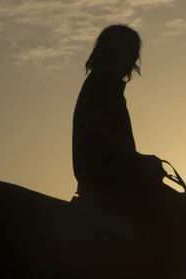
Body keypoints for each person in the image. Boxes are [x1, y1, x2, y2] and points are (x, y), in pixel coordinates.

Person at [72, 24, 178, 221]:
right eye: (130, 53)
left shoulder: (99, 82)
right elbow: (95, 133)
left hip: (106, 183)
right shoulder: (104, 83)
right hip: (111, 187)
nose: (132, 61)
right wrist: (141, 161)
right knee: (181, 215)